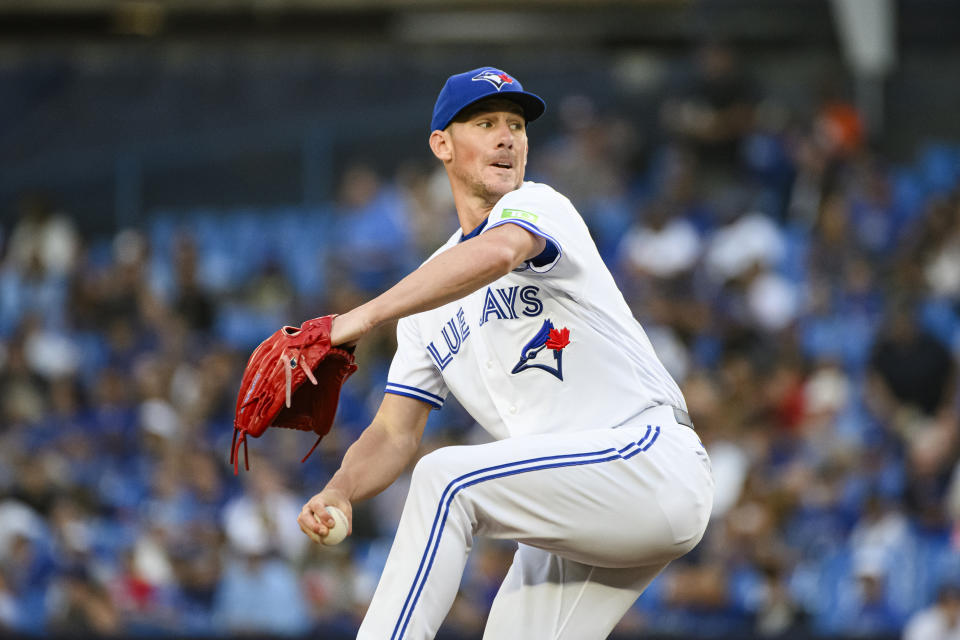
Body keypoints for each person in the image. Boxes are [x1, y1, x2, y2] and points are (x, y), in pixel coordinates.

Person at [297, 66, 714, 639]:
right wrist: (340, 490)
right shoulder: (428, 291)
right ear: (442, 144)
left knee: (446, 479)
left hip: (645, 461)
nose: (507, 137)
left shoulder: (540, 206)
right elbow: (395, 433)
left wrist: (361, 317)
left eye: (516, 124)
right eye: (486, 122)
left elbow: (497, 254)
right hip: (573, 501)